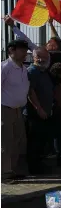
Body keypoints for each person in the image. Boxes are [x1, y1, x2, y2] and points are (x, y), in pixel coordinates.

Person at [1, 39, 30, 179]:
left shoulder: (23, 68)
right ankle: (4, 173)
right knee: (6, 141)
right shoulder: (4, 67)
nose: (25, 53)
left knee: (18, 140)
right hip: (5, 109)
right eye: (22, 49)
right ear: (12, 50)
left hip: (18, 109)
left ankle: (12, 170)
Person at [25, 47, 54, 175]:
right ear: (34, 58)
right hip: (35, 114)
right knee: (34, 142)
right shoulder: (32, 71)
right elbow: (30, 92)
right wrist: (39, 109)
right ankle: (34, 168)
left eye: (46, 58)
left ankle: (39, 164)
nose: (43, 60)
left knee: (42, 140)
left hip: (45, 113)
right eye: (39, 57)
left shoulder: (44, 72)